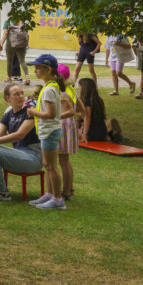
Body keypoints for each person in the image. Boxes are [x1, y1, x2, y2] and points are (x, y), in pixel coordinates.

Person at [0, 84, 44, 201]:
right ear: (7, 98)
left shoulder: (30, 111)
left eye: (22, 93)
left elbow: (19, 135)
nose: (21, 96)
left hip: (33, 156)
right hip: (20, 154)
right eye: (16, 94)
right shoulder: (9, 113)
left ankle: (0, 192)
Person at [25, 54, 67, 210]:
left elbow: (51, 114)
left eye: (38, 68)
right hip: (48, 131)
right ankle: (50, 194)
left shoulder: (49, 89)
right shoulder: (50, 87)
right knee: (47, 165)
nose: (35, 70)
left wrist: (33, 112)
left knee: (51, 166)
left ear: (48, 69)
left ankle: (58, 199)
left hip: (49, 131)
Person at [56, 64, 82, 201]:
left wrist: (54, 116)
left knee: (63, 161)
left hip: (63, 126)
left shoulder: (62, 92)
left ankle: (66, 192)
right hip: (70, 126)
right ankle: (69, 188)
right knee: (65, 160)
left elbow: (70, 111)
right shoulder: (71, 89)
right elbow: (81, 108)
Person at [77, 78, 122, 143]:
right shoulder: (99, 100)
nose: (78, 88)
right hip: (102, 131)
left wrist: (84, 135)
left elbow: (87, 118)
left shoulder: (85, 101)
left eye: (79, 86)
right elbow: (104, 115)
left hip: (91, 133)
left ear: (83, 88)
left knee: (72, 131)